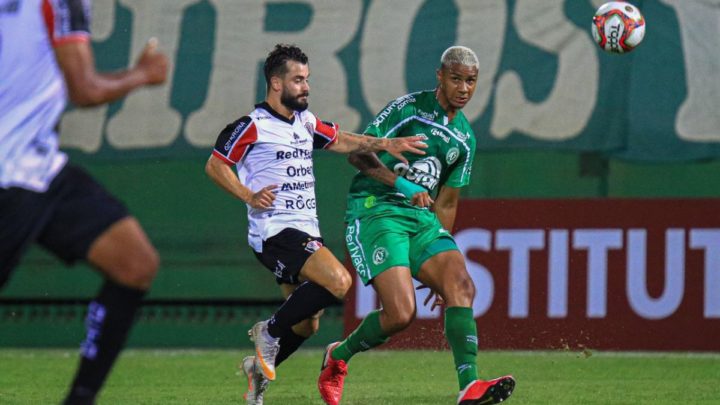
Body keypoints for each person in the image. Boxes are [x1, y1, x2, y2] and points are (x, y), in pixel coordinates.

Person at [204, 44, 427, 405]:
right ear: (276, 83)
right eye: (298, 80)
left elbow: (340, 140)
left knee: (308, 323)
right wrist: (248, 195)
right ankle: (269, 332)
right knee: (338, 281)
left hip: (305, 229)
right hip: (275, 230)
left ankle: (257, 372)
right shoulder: (252, 126)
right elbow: (215, 165)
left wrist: (386, 142)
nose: (306, 87)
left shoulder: (305, 123)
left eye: (307, 79)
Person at [317, 46, 516, 405]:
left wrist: (438, 257)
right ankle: (338, 356)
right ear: (440, 76)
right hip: (377, 209)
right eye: (456, 79)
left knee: (461, 285)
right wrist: (405, 186)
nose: (464, 89)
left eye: (471, 81)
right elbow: (358, 153)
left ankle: (469, 386)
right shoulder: (407, 110)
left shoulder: (465, 139)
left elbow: (448, 202)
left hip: (421, 221)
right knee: (401, 314)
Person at [0, 1, 168, 404]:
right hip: (12, 177)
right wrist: (144, 74)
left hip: (40, 168)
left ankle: (80, 399)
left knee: (134, 263)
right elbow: (85, 89)